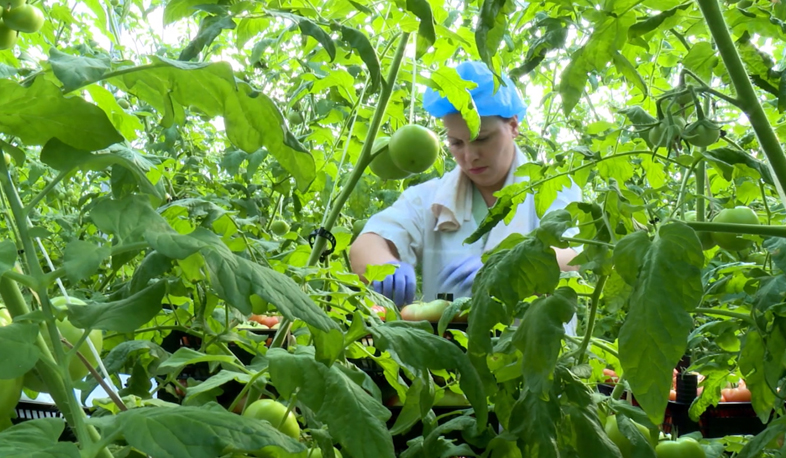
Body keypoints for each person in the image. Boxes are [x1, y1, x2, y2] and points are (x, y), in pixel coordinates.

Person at [349, 60, 582, 315]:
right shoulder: (430, 198)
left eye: (481, 139)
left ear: (513, 126)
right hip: (447, 340)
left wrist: (509, 267)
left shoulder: (553, 188)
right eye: (456, 143)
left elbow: (572, 257)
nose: (470, 157)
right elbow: (369, 241)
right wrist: (385, 266)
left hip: (532, 337)